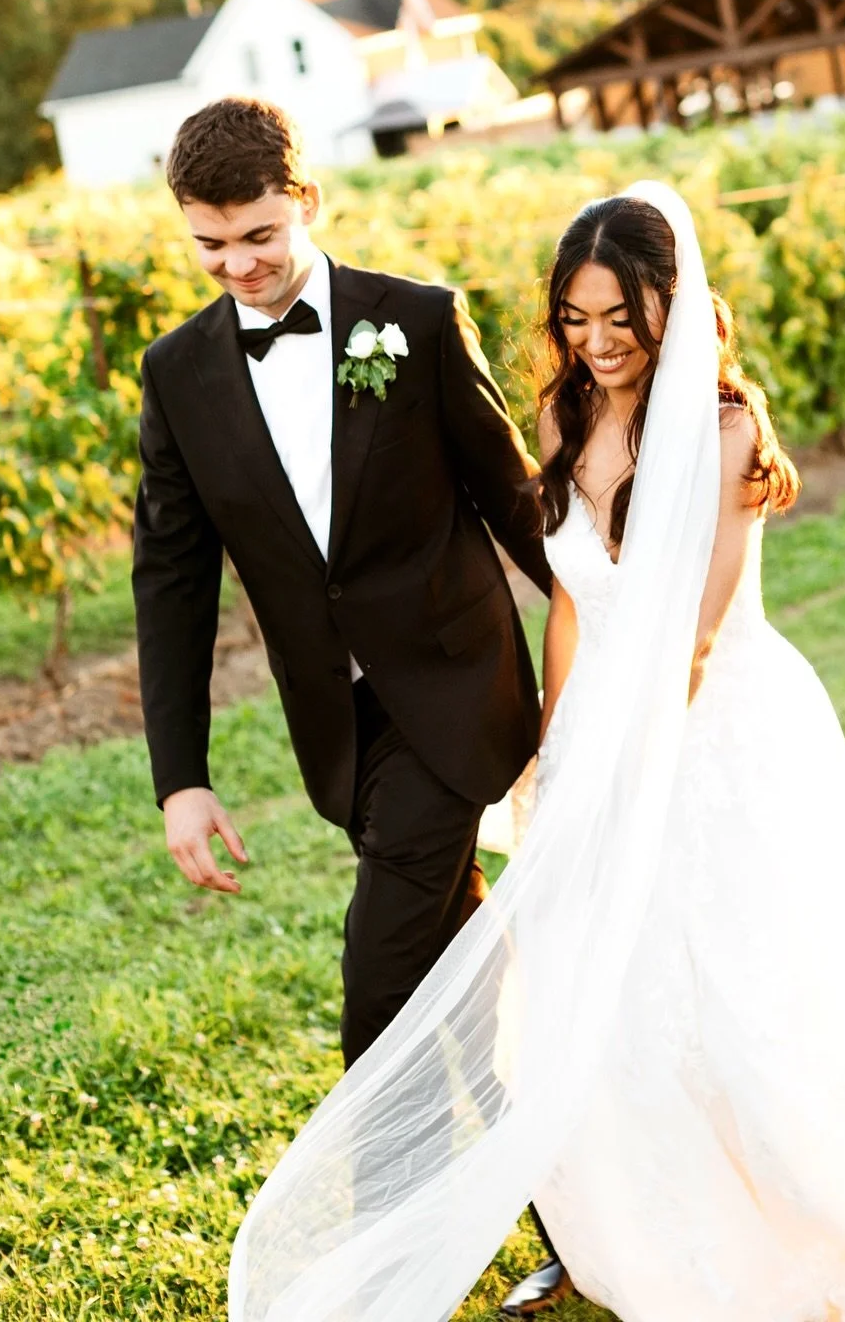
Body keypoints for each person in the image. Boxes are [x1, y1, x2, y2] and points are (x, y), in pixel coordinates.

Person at [228, 178, 845, 1322]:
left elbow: (696, 628)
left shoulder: (727, 426)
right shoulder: (564, 418)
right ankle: (659, 1222)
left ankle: (817, 1221)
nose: (596, 346)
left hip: (715, 736)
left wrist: (634, 768)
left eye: (618, 324)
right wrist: (554, 746)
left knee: (748, 986)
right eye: (575, 322)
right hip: (597, 731)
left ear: (667, 309)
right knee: (609, 990)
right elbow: (574, 603)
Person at [133, 97, 568, 1312]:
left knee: (380, 996)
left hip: (461, 697)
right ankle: (583, 1213)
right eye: (211, 246)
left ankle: (391, 1268)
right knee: (472, 996)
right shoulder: (178, 375)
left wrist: (623, 635)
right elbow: (170, 581)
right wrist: (183, 775)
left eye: (259, 235)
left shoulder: (414, 321)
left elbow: (510, 498)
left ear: (308, 200)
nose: (239, 266)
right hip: (344, 734)